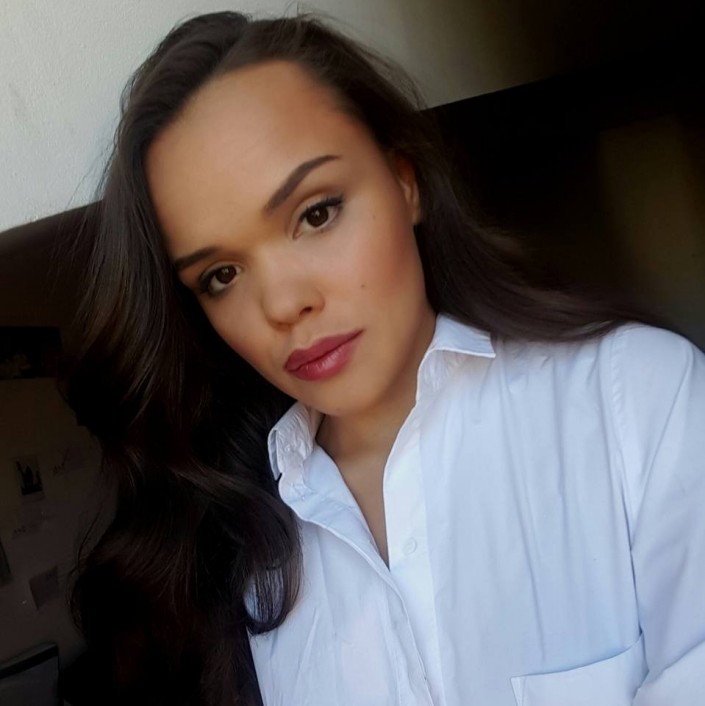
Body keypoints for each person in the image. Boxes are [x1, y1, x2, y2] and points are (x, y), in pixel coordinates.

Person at [64, 11, 705, 706]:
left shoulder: (636, 402)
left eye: (316, 213)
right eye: (221, 275)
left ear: (405, 182)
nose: (283, 303)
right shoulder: (227, 553)